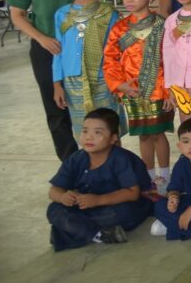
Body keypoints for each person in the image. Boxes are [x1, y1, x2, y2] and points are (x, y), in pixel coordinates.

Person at [9, 0, 77, 159]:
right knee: (56, 109)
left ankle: (100, 164)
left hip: (80, 47)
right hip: (45, 50)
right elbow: (17, 15)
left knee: (89, 104)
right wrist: (41, 38)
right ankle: (71, 164)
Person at [103, 0, 172, 188]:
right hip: (132, 91)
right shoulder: (119, 28)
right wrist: (121, 85)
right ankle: (149, 178)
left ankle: (165, 177)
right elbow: (110, 59)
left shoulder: (163, 25)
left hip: (158, 90)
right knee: (143, 135)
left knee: (158, 134)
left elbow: (172, 60)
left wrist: (170, 90)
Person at [46, 108, 152, 251]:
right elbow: (54, 190)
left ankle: (68, 232)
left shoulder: (120, 159)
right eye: (85, 131)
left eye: (98, 132)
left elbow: (132, 193)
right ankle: (99, 234)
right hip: (87, 207)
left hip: (117, 205)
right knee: (54, 209)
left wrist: (98, 200)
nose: (89, 137)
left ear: (113, 138)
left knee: (124, 212)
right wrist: (62, 197)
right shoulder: (76, 159)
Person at [52, 0, 120, 141]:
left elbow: (116, 51)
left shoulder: (108, 12)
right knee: (85, 132)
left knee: (108, 130)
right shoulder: (61, 14)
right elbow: (57, 51)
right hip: (72, 80)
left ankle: (115, 160)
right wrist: (57, 83)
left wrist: (118, 80)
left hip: (104, 79)